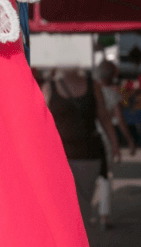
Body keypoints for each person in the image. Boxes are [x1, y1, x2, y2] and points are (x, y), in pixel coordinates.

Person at [45, 66, 122, 230]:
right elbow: (38, 124)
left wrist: (115, 143)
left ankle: (77, 241)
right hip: (61, 157)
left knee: (81, 207)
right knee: (63, 208)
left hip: (87, 155)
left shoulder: (92, 86)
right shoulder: (49, 88)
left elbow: (103, 116)